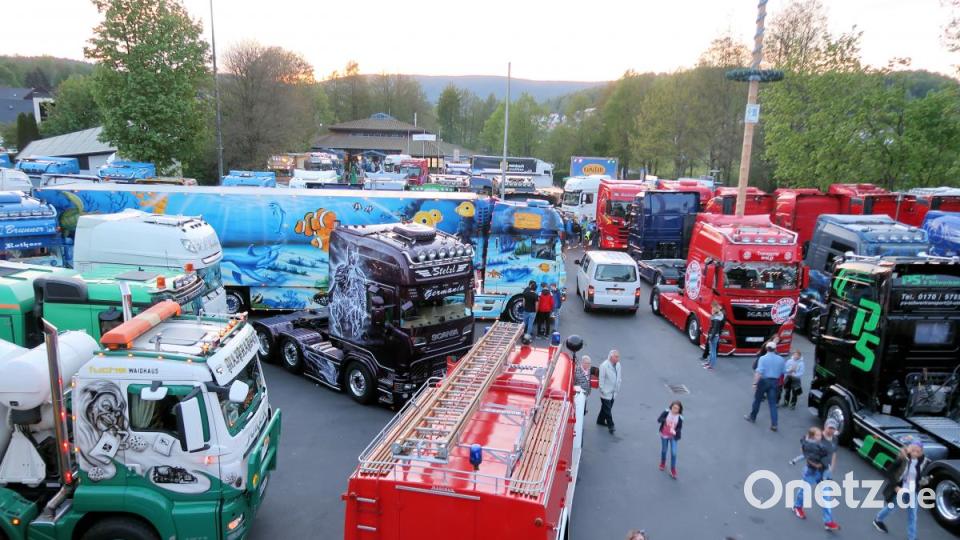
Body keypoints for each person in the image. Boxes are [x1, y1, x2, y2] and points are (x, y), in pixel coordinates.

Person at [873, 439, 928, 539]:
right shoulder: (903, 459)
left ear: (921, 452)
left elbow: (917, 477)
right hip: (901, 489)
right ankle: (878, 519)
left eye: (918, 451)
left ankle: (912, 537)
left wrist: (922, 481)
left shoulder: (922, 462)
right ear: (909, 449)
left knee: (913, 515)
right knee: (891, 507)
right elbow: (889, 472)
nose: (915, 453)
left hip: (912, 491)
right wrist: (895, 487)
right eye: (913, 450)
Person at [791, 427, 840, 530]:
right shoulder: (810, 444)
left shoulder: (828, 440)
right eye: (818, 435)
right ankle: (797, 506)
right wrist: (816, 464)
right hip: (812, 472)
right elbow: (806, 456)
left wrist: (830, 469)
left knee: (826, 496)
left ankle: (828, 521)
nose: (820, 436)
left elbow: (831, 454)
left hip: (823, 473)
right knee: (804, 491)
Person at [745, 342, 785, 431]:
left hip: (763, 381)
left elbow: (759, 372)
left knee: (757, 400)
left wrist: (755, 383)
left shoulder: (763, 358)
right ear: (775, 349)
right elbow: (783, 372)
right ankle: (774, 424)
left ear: (767, 348)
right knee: (772, 404)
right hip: (774, 382)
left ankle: (752, 417)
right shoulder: (781, 359)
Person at [657, 400, 684, 479]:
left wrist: (675, 431)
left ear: (679, 410)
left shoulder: (680, 417)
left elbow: (679, 428)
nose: (675, 410)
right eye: (674, 407)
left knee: (674, 453)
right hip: (664, 434)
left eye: (677, 408)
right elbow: (659, 419)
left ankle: (673, 469)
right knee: (664, 450)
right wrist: (665, 420)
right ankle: (663, 463)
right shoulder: (666, 412)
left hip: (673, 437)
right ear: (671, 406)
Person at [597, 350, 622, 434]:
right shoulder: (604, 366)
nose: (618, 358)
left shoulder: (618, 365)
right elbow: (601, 379)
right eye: (616, 357)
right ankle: (611, 425)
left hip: (613, 392)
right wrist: (602, 390)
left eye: (618, 356)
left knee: (607, 408)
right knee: (608, 410)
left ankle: (600, 420)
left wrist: (618, 387)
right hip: (606, 392)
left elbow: (619, 376)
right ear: (611, 357)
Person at [702, 302, 725, 370]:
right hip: (713, 335)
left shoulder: (716, 318)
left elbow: (715, 329)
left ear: (715, 309)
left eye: (712, 308)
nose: (711, 309)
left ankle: (711, 366)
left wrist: (711, 337)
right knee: (712, 351)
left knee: (713, 352)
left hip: (713, 336)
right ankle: (709, 363)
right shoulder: (717, 316)